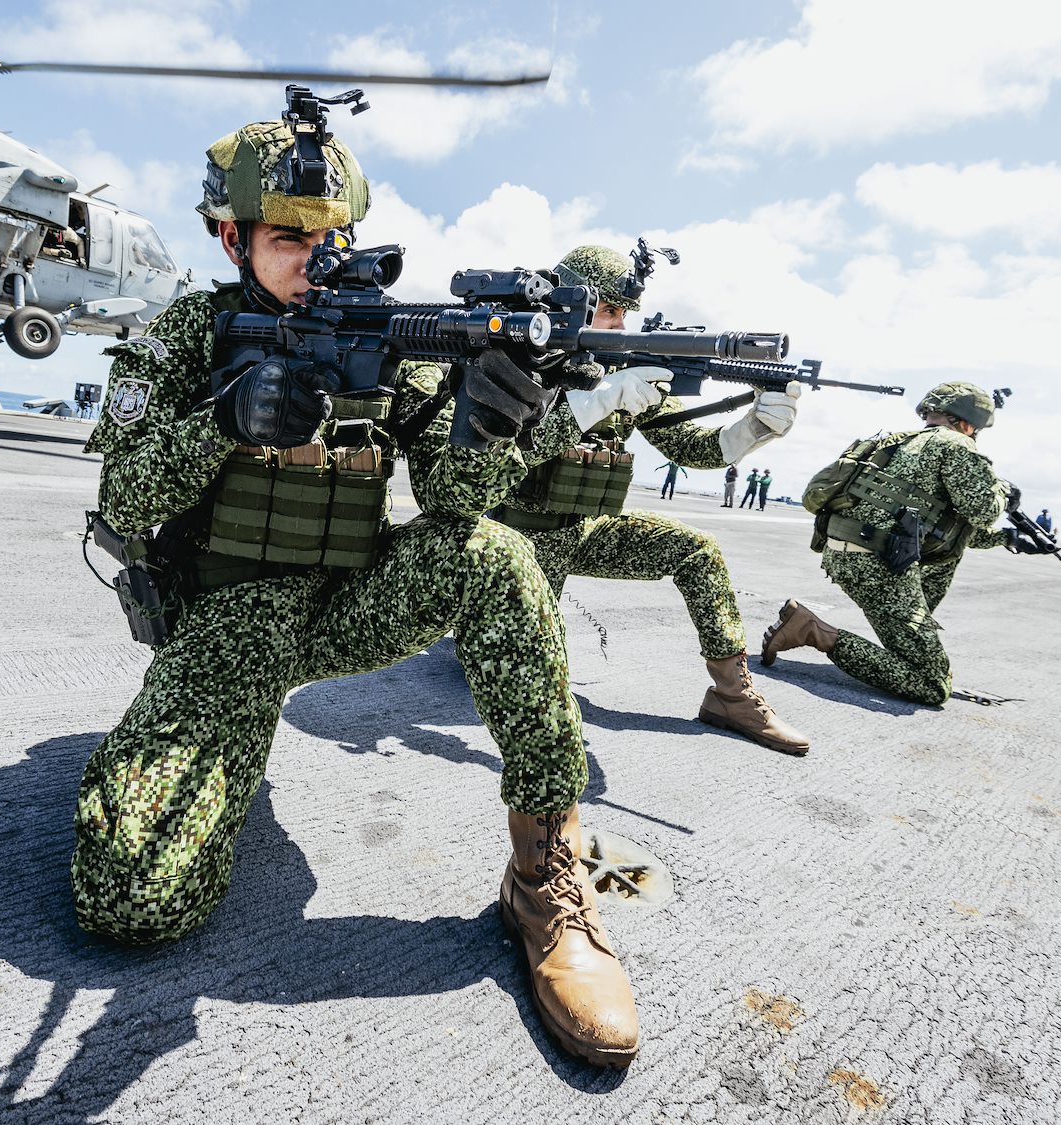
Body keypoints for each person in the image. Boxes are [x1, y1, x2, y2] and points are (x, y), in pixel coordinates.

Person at [74, 117, 638, 1066]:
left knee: (494, 555)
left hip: (351, 605)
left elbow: (453, 500)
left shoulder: (388, 339)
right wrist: (224, 419)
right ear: (233, 239)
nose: (315, 258)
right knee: (131, 900)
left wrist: (492, 423)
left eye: (330, 236)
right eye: (287, 237)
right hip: (226, 625)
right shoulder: (190, 333)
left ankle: (546, 871)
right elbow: (123, 502)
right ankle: (159, 756)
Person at [488, 244, 808, 755]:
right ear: (568, 302)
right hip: (511, 543)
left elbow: (691, 447)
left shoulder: (621, 369)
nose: (620, 326)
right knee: (525, 676)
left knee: (696, 550)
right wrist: (594, 402)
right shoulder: (514, 358)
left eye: (625, 314)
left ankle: (732, 696)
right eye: (609, 310)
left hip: (582, 530)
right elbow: (504, 457)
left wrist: (753, 429)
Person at [760, 382, 1046, 706]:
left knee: (936, 583)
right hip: (880, 566)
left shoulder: (896, 442)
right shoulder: (958, 445)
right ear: (969, 423)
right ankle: (810, 630)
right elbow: (984, 511)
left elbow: (945, 530)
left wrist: (1009, 538)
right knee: (932, 684)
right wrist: (1004, 493)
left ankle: (909, 639)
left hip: (847, 554)